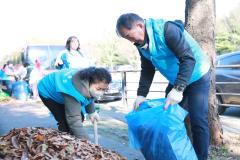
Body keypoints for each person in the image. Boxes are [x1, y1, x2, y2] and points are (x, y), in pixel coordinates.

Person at [116, 13, 211, 160]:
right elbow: (147, 69)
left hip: (197, 74)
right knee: (168, 116)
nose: (130, 41)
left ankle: (201, 157)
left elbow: (188, 59)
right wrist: (141, 94)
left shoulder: (166, 30)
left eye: (129, 36)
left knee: (198, 120)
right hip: (177, 78)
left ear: (139, 26)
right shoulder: (140, 44)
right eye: (126, 38)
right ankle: (178, 154)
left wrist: (178, 89)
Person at [37, 67, 111, 139]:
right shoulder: (73, 91)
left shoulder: (87, 82)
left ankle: (72, 139)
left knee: (80, 117)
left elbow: (90, 96)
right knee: (64, 122)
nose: (101, 92)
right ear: (89, 82)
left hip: (62, 90)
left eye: (104, 90)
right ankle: (64, 143)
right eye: (99, 89)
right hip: (47, 91)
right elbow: (73, 120)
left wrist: (91, 112)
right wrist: (86, 142)